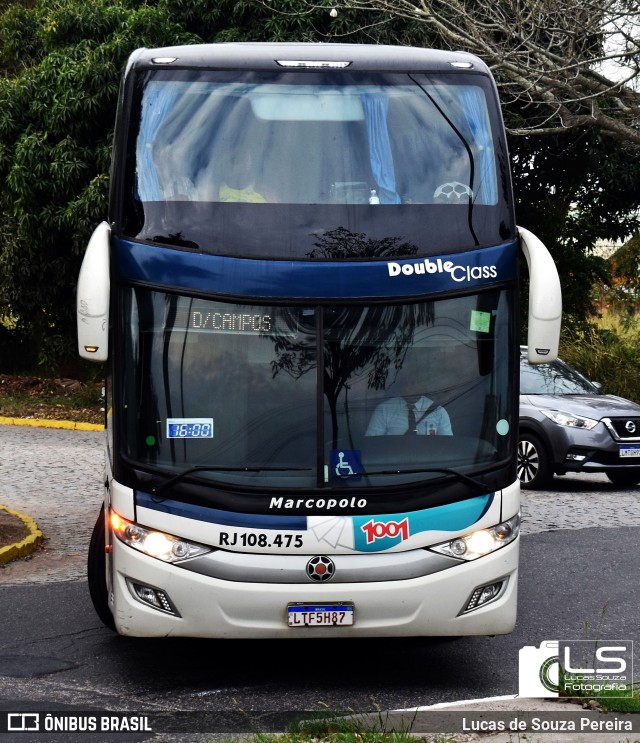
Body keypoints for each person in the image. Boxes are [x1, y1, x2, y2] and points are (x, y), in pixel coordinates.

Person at [364, 352, 453, 436]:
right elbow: (372, 443)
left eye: (415, 383)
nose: (410, 389)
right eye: (406, 383)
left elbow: (448, 445)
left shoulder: (438, 411)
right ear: (401, 386)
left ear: (424, 386)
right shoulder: (384, 410)